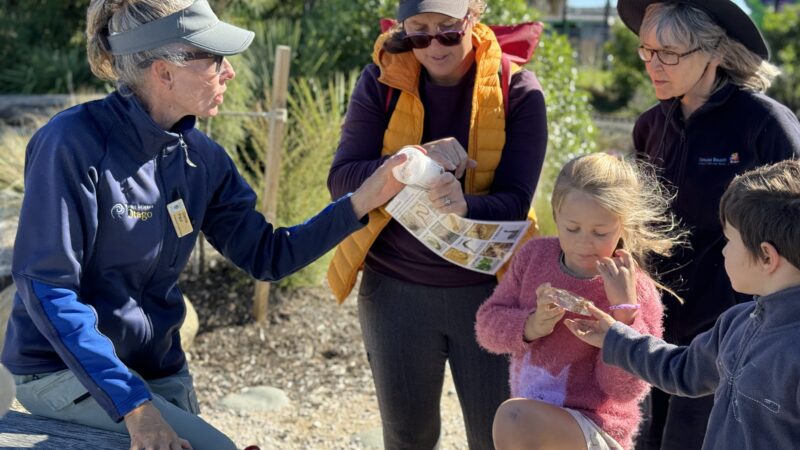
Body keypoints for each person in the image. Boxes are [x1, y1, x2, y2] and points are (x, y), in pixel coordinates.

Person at [0, 1, 405, 449]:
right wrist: (135, 406)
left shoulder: (201, 158)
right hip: (61, 369)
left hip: (157, 369)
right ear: (164, 72)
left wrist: (366, 197)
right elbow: (47, 287)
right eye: (214, 59)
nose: (228, 72)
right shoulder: (71, 142)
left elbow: (267, 256)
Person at [326, 0, 547, 448]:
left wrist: (463, 204)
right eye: (418, 33)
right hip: (395, 292)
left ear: (475, 15)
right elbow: (342, 180)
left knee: (495, 437)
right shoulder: (381, 80)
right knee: (408, 438)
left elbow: (516, 201)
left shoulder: (518, 88)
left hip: (491, 294)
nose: (433, 46)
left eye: (448, 30)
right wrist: (414, 161)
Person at [615, 1, 800, 447]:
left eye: (669, 53)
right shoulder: (649, 126)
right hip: (655, 327)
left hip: (731, 339)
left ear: (714, 52)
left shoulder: (764, 123)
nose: (654, 65)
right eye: (646, 51)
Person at [567, 159, 800, 450]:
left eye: (728, 240)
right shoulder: (737, 323)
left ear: (767, 256)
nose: (724, 251)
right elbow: (682, 370)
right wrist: (616, 337)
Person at [475, 152, 684, 450]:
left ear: (623, 225)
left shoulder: (634, 287)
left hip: (597, 429)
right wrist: (530, 326)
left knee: (514, 417)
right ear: (556, 213)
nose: (584, 242)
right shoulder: (534, 256)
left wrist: (623, 320)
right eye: (572, 228)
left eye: (600, 232)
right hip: (536, 424)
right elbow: (486, 327)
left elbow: (627, 391)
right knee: (518, 418)